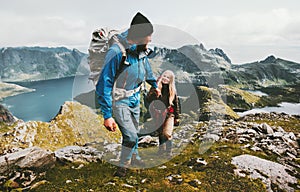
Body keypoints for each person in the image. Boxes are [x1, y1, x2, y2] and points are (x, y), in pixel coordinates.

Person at [96, 12, 159, 177]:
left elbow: (145, 66)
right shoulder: (116, 52)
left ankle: (135, 157)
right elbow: (105, 83)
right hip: (120, 101)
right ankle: (123, 166)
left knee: (135, 130)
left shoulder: (140, 49)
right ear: (139, 36)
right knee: (130, 136)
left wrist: (153, 84)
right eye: (148, 35)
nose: (151, 39)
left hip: (135, 98)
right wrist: (107, 115)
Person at [146, 70, 180, 158]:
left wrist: (177, 117)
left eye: (168, 77)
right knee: (160, 132)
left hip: (169, 114)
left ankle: (168, 151)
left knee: (167, 133)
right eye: (164, 76)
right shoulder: (156, 87)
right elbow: (148, 99)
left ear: (171, 80)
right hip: (158, 113)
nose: (165, 78)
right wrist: (155, 90)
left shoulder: (172, 91)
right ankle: (161, 150)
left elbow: (175, 103)